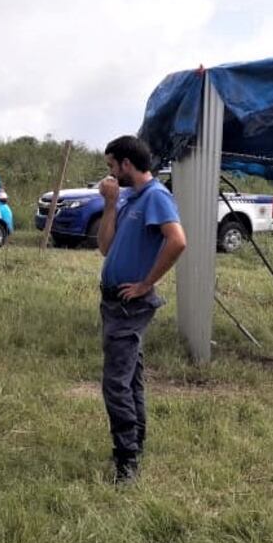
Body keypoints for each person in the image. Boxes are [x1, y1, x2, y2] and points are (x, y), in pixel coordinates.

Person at [96, 135, 186, 485]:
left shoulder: (156, 196)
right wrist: (109, 205)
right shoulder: (128, 198)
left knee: (115, 383)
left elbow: (177, 241)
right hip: (113, 302)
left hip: (130, 304)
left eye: (111, 166)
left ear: (126, 164)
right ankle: (136, 443)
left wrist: (147, 283)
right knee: (130, 377)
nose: (110, 174)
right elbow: (105, 248)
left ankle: (127, 459)